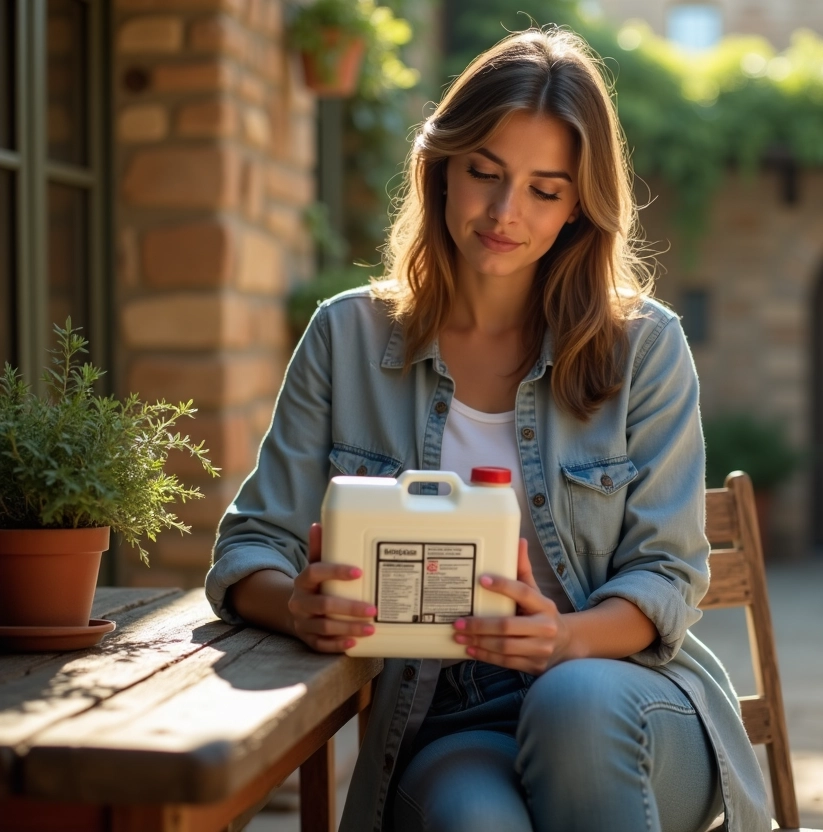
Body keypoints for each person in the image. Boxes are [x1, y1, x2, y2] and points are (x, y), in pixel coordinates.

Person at [205, 27, 769, 832]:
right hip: (447, 719)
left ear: (579, 205)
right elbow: (249, 547)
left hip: (628, 699)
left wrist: (564, 638)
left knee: (574, 703)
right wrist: (296, 608)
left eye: (546, 189)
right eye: (485, 174)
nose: (507, 213)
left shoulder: (644, 346)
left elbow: (667, 578)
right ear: (442, 168)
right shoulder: (347, 338)